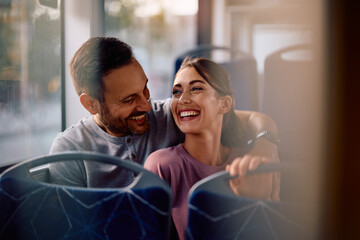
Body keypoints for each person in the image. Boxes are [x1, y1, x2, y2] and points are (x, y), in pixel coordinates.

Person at [49, 37, 280, 192]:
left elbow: (254, 119)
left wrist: (265, 148)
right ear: (91, 104)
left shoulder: (173, 114)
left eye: (145, 89)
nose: (146, 105)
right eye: (129, 99)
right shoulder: (69, 150)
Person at [144, 57, 279, 240]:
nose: (182, 99)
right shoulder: (162, 166)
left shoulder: (251, 164)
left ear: (224, 104)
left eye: (196, 88)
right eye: (177, 92)